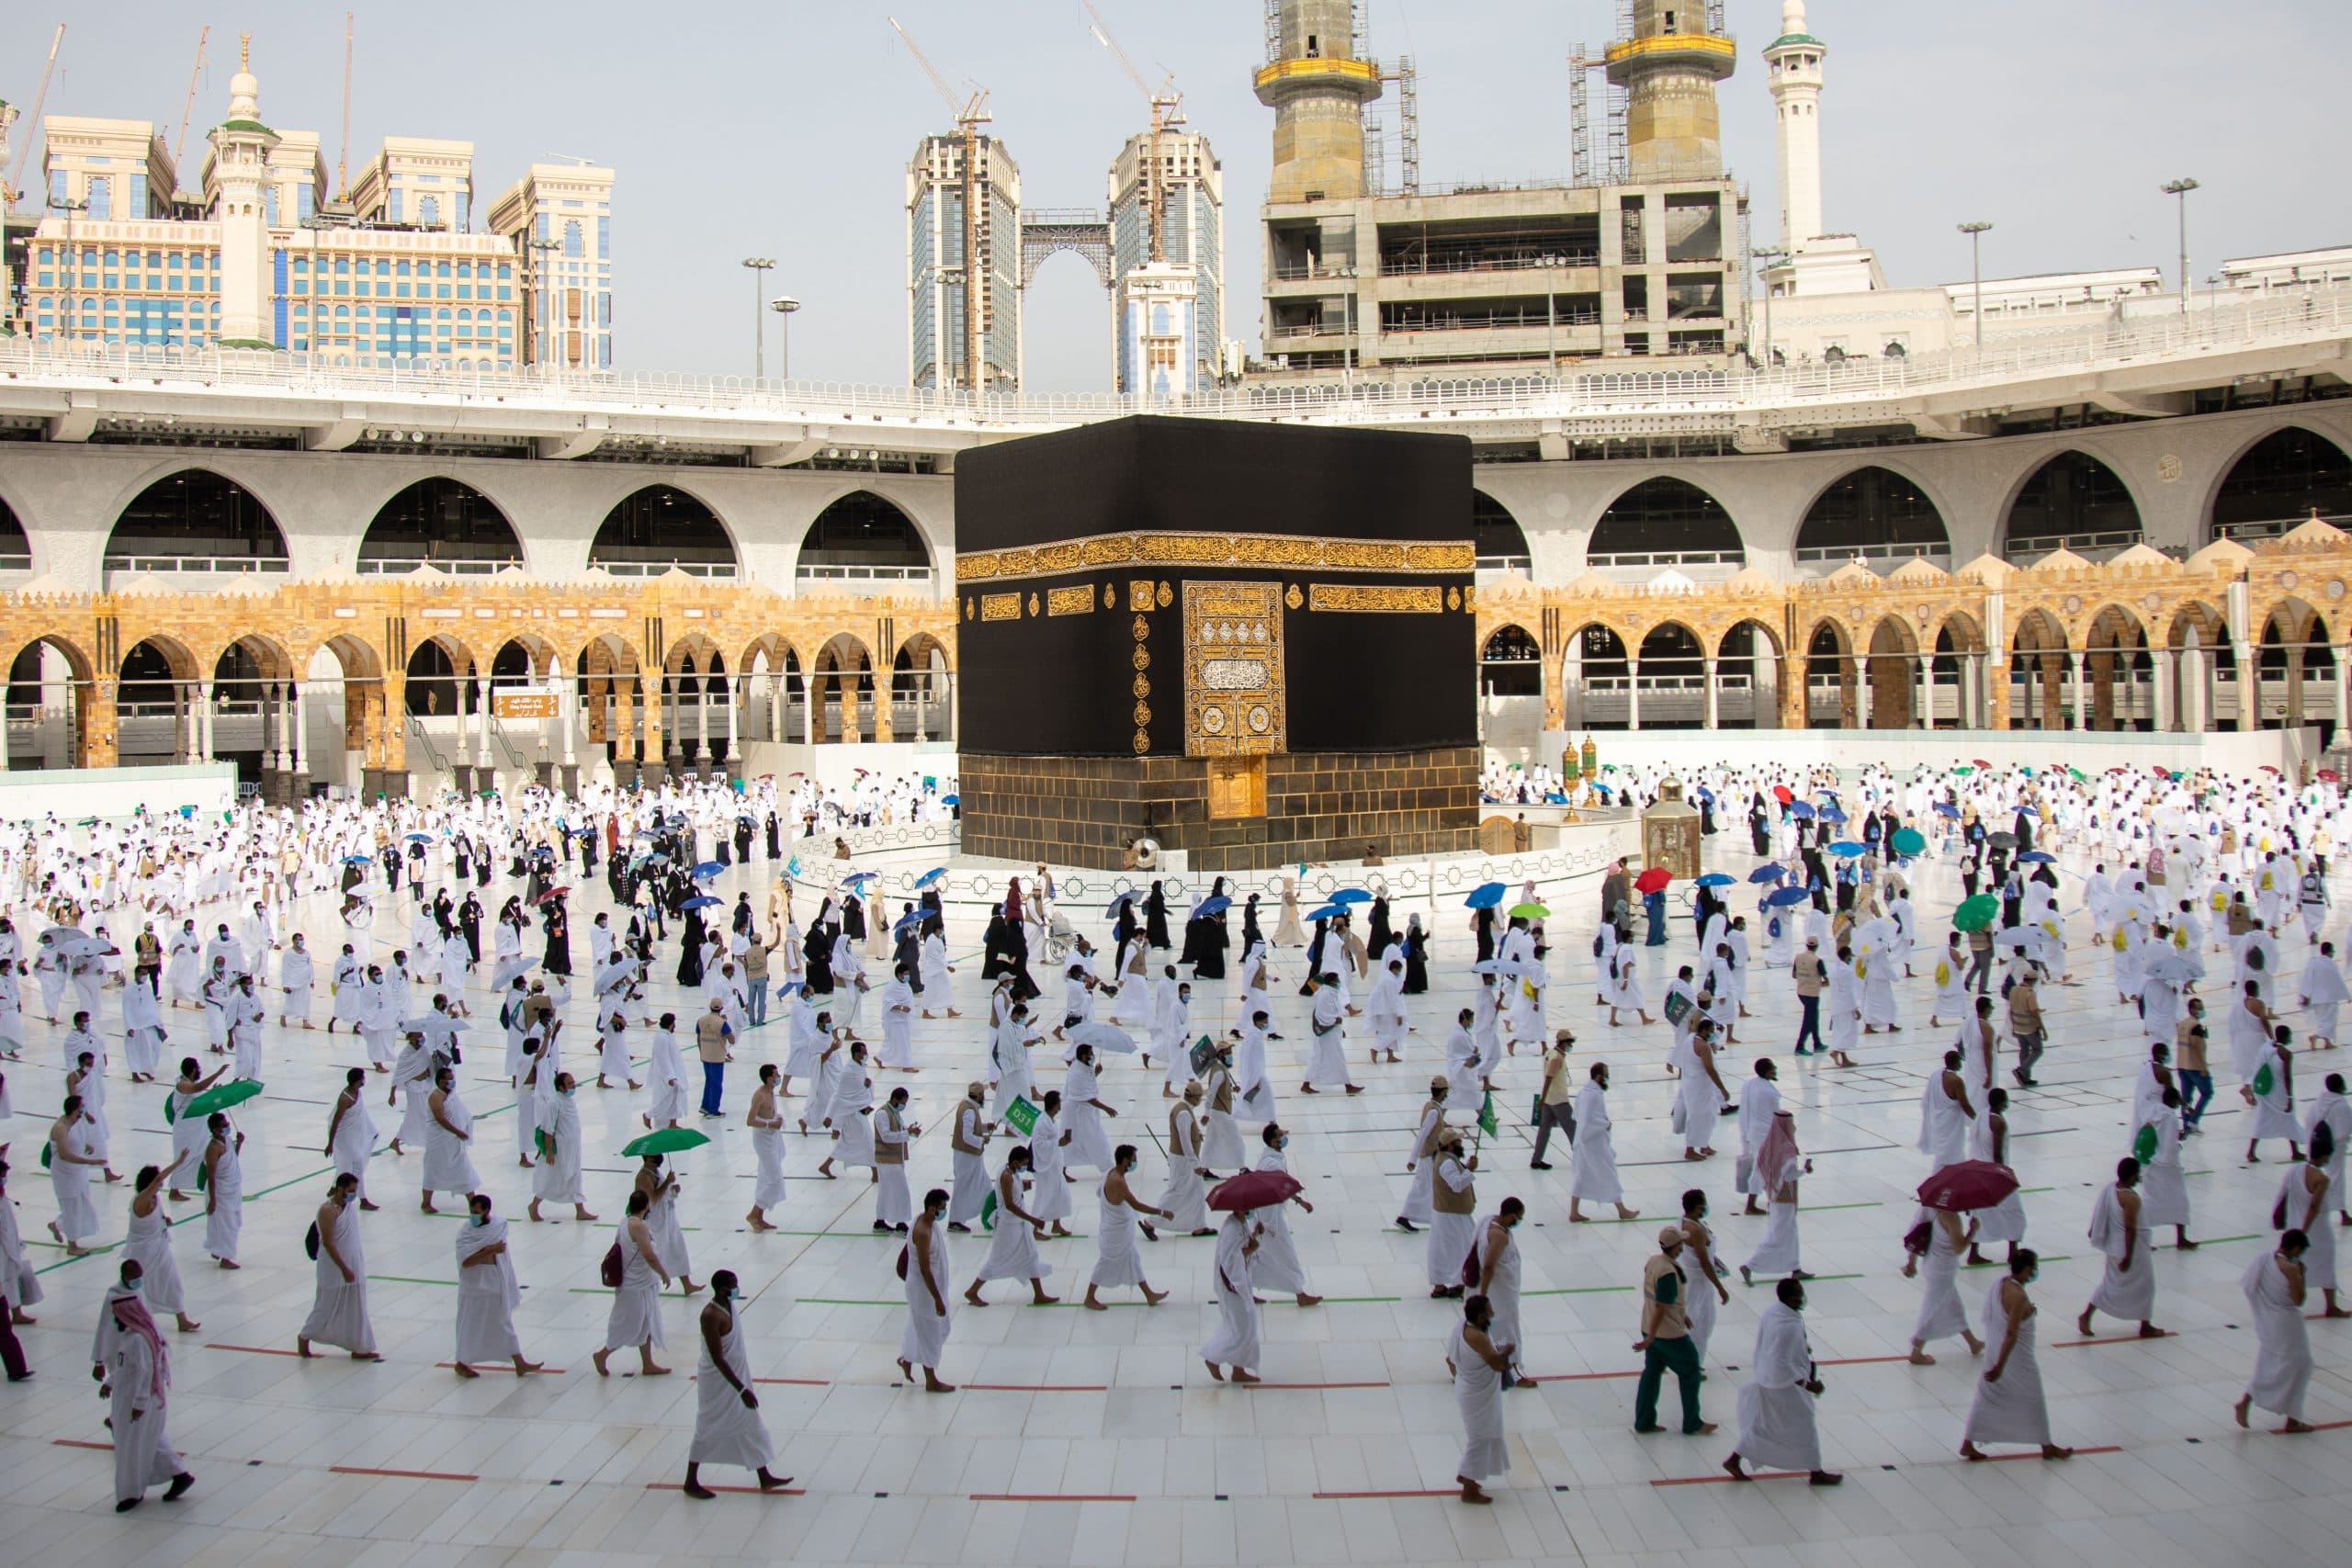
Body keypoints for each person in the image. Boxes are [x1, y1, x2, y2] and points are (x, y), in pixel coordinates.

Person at [90, 1262, 196, 1512]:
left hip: (139, 1402)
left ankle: (130, 1494)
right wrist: (109, 1381)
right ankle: (178, 1475)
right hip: (130, 1396)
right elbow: (123, 1362)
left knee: (131, 1448)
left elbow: (146, 1372)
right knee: (147, 1441)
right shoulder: (126, 1323)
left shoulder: (139, 1338)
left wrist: (138, 1404)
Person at [682, 1269, 792, 1498]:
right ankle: (690, 1481)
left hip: (737, 1376)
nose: (736, 1289)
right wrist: (740, 1389)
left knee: (749, 1421)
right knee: (707, 1427)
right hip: (718, 1381)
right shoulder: (711, 1315)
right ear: (722, 1290)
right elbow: (717, 1357)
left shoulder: (730, 1307)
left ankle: (764, 1476)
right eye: (733, 1286)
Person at [1724, 1277, 1842, 1485]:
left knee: (1764, 1425)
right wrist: (1808, 1384)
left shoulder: (1776, 1312)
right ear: (1789, 1298)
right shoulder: (1787, 1327)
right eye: (1798, 1293)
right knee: (1805, 1424)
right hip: (1783, 1385)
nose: (1802, 1297)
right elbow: (1781, 1362)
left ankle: (1735, 1459)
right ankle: (1816, 1472)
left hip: (1768, 1379)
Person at [1960, 1250, 2071, 1461]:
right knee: (2034, 1398)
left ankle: (1968, 1443)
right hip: (2015, 1359)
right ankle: (2046, 1446)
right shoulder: (2018, 1296)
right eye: (2033, 1268)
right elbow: (2011, 1334)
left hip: (1996, 1353)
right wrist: (2001, 1366)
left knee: (1987, 1398)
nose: (2035, 1272)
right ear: (2027, 1269)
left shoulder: (2002, 1284)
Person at [1634, 1225, 1713, 1437]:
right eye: (1680, 1243)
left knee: (1651, 1373)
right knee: (1690, 1370)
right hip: (1668, 1334)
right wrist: (1652, 1337)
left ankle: (1644, 1421)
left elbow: (1664, 1299)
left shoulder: (1654, 1262)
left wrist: (1681, 1314)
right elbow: (1662, 1305)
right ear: (1674, 1246)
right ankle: (1692, 1422)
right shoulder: (1669, 1272)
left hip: (1648, 1324)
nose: (1683, 1246)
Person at [2235, 1230, 2316, 1434]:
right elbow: (2299, 1300)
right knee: (2302, 1366)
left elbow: (2249, 1286)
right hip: (2287, 1323)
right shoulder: (2290, 1268)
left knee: (2269, 1363)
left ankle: (2248, 1401)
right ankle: (2292, 1419)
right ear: (2296, 1248)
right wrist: (2301, 1275)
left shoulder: (2265, 1260)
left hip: (2269, 1322)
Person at [454, 1193, 542, 1377]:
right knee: (469, 1324)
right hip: (473, 1286)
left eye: (476, 1212)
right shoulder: (465, 1233)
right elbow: (466, 1262)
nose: (473, 1215)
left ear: (487, 1211)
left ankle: (520, 1362)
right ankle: (461, 1362)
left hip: (494, 1280)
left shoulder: (498, 1226)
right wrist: (489, 1250)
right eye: (471, 1211)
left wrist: (491, 1251)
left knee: (504, 1321)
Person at [298, 1173, 380, 1359]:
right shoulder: (328, 1210)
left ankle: (359, 1346)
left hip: (353, 1262)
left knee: (356, 1305)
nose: (353, 1195)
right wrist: (343, 1268)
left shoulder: (348, 1206)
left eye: (355, 1191)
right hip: (334, 1266)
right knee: (326, 1304)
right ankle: (304, 1337)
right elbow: (327, 1243)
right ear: (340, 1188)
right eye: (350, 1191)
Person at [2078, 1157, 2162, 1339]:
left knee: (2110, 1284)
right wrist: (2129, 1257)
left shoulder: (2111, 1188)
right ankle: (2145, 1325)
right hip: (2130, 1251)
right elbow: (2130, 1229)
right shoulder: (2130, 1198)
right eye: (2137, 1174)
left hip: (2115, 1248)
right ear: (2131, 1176)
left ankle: (2087, 1315)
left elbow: (2100, 1212)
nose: (2139, 1178)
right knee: (2146, 1286)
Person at [592, 1189, 672, 1377]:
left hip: (639, 1284)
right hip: (634, 1286)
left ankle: (648, 1364)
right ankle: (602, 1354)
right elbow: (649, 1255)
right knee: (628, 1325)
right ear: (646, 1206)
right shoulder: (638, 1227)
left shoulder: (625, 1222)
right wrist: (664, 1274)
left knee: (646, 1323)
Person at [966, 1145, 1057, 1306]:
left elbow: (1014, 1194)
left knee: (1031, 1255)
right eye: (1023, 1164)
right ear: (1015, 1162)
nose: (1024, 1167)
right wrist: (1032, 1220)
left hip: (1019, 1225)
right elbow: (1009, 1205)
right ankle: (972, 1291)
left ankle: (1039, 1294)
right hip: (1008, 1226)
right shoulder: (1006, 1176)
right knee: (996, 1260)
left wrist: (1023, 1187)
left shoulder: (1012, 1173)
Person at [1446, 1294, 1514, 1505]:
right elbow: (1496, 1365)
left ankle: (1469, 1476)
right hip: (1478, 1395)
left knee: (1480, 1433)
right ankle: (1468, 1483)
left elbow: (1451, 1359)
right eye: (1489, 1310)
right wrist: (1507, 1353)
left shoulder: (1462, 1327)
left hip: (1467, 1387)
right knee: (1480, 1436)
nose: (1493, 1313)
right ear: (1481, 1315)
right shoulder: (1478, 1338)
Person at [1086, 1143, 1171, 1309]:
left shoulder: (1110, 1173)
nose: (1135, 1162)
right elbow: (1137, 1205)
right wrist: (1161, 1213)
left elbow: (1099, 1192)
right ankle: (1089, 1297)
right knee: (1105, 1263)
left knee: (1133, 1260)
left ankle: (1149, 1295)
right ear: (1125, 1161)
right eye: (1134, 1159)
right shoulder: (1117, 1181)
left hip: (1118, 1231)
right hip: (1114, 1234)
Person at [2277, 1125, 2346, 1317]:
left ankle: (2289, 1300)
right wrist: (2303, 1232)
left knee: (2297, 1266)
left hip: (2295, 1223)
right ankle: (2330, 1306)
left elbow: (2283, 1194)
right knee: (2325, 1266)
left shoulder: (2295, 1171)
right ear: (2324, 1156)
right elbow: (2314, 1207)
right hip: (2317, 1231)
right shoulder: (2321, 1179)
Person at [1904, 1205, 1984, 1362]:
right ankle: (1916, 1350)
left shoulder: (1925, 1209)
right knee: (1931, 1309)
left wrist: (1911, 1262)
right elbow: (1959, 1248)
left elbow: (1916, 1233)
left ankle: (1972, 1342)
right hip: (1943, 1271)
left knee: (1953, 1305)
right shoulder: (1951, 1217)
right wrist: (1972, 1231)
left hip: (1930, 1264)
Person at [1738, 1112, 1809, 1285]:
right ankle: (1750, 1265)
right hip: (1785, 1199)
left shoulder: (1770, 1144)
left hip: (1774, 1196)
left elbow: (1763, 1168)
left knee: (1789, 1234)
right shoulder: (1788, 1148)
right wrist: (1805, 1170)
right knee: (1778, 1235)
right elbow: (1790, 1175)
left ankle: (1795, 1267)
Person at [898, 1188, 956, 1393]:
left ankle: (907, 1358)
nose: (944, 1211)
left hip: (932, 1287)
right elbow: (925, 1269)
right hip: (924, 1290)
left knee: (925, 1327)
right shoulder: (922, 1231)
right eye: (942, 1208)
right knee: (931, 1331)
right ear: (931, 1209)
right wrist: (937, 1299)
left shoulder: (927, 1222)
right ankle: (931, 1379)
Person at [1203, 1207, 1266, 1384]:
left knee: (1244, 1326)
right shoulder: (1231, 1228)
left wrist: (1254, 1234)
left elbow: (1241, 1246)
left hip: (1240, 1282)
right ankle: (1213, 1358)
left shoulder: (1240, 1223)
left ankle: (1238, 1370)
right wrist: (1252, 1248)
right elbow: (1230, 1259)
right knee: (1241, 1328)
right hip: (1232, 1285)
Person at [1568, 1063, 1638, 1222]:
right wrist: (1605, 1124)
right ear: (1598, 1077)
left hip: (1584, 1142)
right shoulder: (1592, 1094)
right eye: (1605, 1075)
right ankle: (1622, 1210)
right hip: (1592, 1144)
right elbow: (1587, 1120)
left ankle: (1574, 1212)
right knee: (1608, 1173)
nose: (1607, 1079)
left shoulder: (1586, 1091)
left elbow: (1577, 1115)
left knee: (1581, 1175)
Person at [1427, 1129, 1479, 1299]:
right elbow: (1456, 1185)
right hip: (1452, 1214)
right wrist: (1470, 1170)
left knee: (1444, 1249)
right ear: (1450, 1145)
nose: (1461, 1144)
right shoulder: (1447, 1163)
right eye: (1458, 1141)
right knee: (1462, 1248)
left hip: (1447, 1212)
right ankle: (1458, 1283)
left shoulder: (1446, 1159)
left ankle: (1441, 1284)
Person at [198, 1113, 243, 1269]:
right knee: (226, 1224)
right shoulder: (213, 1148)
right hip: (220, 1191)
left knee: (233, 1221)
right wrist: (213, 1200)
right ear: (215, 1130)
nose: (227, 1127)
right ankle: (225, 1258)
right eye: (223, 1126)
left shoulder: (228, 1142)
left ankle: (217, 1249)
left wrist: (239, 1144)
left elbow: (232, 1161)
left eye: (227, 1124)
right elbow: (211, 1175)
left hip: (233, 1189)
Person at [1529, 1032, 1576, 1169]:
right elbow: (1549, 1077)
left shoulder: (1550, 1052)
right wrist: (1541, 1100)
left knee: (1544, 1130)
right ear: (1564, 1043)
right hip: (1559, 1100)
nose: (1571, 1046)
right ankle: (1582, 1159)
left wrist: (1544, 1099)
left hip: (1549, 1099)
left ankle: (1536, 1159)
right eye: (1570, 1043)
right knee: (1573, 1130)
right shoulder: (1557, 1058)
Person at [695, 998, 734, 1118]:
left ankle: (705, 1106)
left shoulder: (701, 1020)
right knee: (717, 1084)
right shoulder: (721, 1022)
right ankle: (713, 1110)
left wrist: (701, 1051)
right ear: (721, 1008)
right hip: (717, 1057)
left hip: (705, 1055)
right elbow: (732, 1039)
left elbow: (698, 1037)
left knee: (709, 1081)